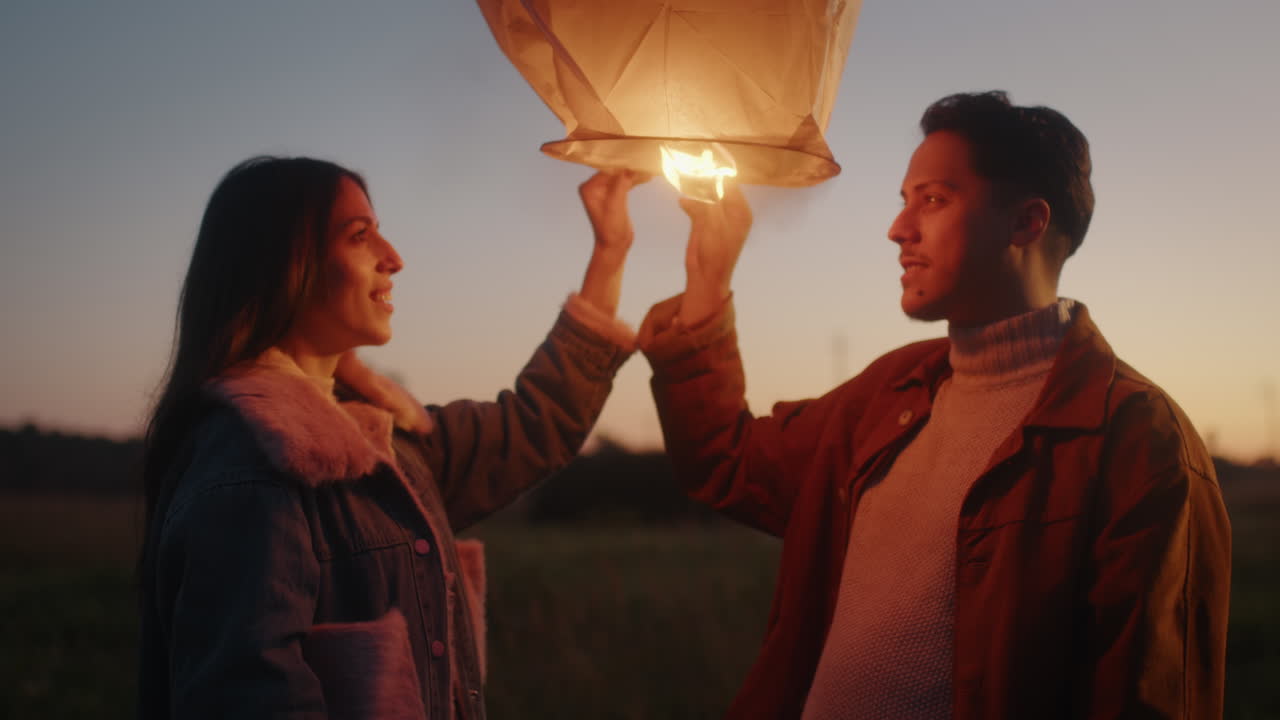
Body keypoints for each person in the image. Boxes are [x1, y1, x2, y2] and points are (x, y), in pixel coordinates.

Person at [635, 91, 1231, 719]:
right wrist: (709, 271)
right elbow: (729, 464)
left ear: (1026, 223)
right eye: (905, 200)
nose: (898, 229)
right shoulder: (891, 390)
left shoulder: (1136, 439)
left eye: (934, 200)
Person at [136, 156, 644, 719]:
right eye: (360, 235)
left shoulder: (385, 441)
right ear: (285, 264)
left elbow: (531, 426)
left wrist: (610, 251)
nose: (394, 258)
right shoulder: (252, 469)